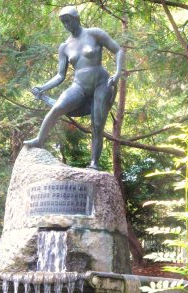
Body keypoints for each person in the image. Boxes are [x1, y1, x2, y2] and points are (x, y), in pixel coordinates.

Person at [24, 6, 124, 170]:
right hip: (79, 85)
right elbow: (60, 75)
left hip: (101, 83)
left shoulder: (94, 33)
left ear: (77, 19)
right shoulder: (64, 47)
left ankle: (94, 163)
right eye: (63, 22)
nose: (66, 25)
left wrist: (118, 73)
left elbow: (118, 50)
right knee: (57, 108)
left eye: (68, 21)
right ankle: (39, 140)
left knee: (97, 125)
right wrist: (43, 88)